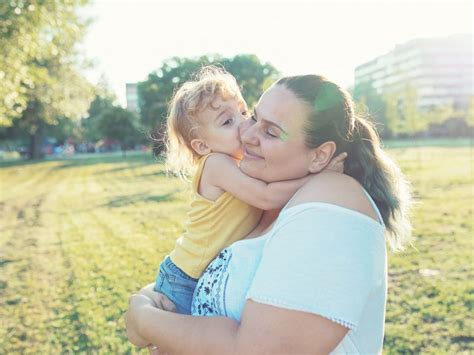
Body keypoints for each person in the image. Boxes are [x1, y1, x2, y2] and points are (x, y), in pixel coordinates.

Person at [125, 74, 411, 354]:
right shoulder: (262, 204)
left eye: (271, 131)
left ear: (320, 156)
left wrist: (146, 320)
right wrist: (148, 299)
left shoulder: (333, 198)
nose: (246, 134)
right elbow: (210, 276)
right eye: (254, 118)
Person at [152, 66, 345, 315]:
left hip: (201, 273)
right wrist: (319, 175)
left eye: (244, 112)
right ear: (202, 145)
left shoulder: (240, 164)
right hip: (184, 277)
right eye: (227, 121)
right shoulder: (216, 164)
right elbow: (266, 196)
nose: (244, 124)